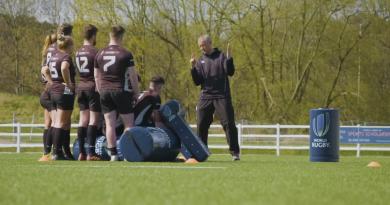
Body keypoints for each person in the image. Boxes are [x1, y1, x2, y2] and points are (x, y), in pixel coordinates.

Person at [190, 34, 240, 161]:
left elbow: (230, 72)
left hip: (221, 95)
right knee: (201, 123)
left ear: (210, 43)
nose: (202, 48)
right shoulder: (200, 61)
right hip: (206, 95)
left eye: (203, 45)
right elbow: (197, 81)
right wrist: (193, 68)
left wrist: (229, 59)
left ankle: (235, 152)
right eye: (200, 46)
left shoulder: (222, 56)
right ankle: (202, 151)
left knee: (228, 123)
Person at [94, 25, 140, 161]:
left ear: (110, 35)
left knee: (109, 124)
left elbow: (96, 76)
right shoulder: (125, 54)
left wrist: (100, 90)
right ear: (121, 36)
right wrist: (136, 93)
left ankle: (113, 154)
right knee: (129, 125)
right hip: (120, 91)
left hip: (104, 91)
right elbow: (133, 77)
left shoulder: (99, 54)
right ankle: (127, 154)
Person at [42, 35, 76, 160]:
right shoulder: (66, 56)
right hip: (63, 92)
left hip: (53, 91)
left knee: (56, 122)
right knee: (61, 123)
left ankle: (54, 151)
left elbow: (44, 69)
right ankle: (57, 152)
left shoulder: (54, 56)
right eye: (72, 45)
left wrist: (51, 82)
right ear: (69, 46)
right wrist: (68, 83)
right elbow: (64, 67)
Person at [75, 24, 102, 161]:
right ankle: (91, 153)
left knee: (82, 120)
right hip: (92, 87)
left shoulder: (78, 52)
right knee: (93, 120)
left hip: (81, 87)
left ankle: (81, 152)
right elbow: (100, 72)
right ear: (93, 36)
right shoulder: (95, 52)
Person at [38, 31, 57, 162]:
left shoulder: (45, 55)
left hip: (46, 90)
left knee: (47, 123)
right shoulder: (55, 54)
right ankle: (50, 152)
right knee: (55, 122)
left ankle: (45, 152)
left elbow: (42, 76)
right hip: (52, 91)